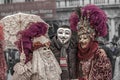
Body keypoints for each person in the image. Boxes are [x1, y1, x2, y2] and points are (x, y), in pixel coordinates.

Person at [69, 4, 112, 80]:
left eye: (85, 38)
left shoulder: (99, 54)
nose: (81, 41)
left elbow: (105, 76)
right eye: (80, 38)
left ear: (91, 39)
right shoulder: (75, 52)